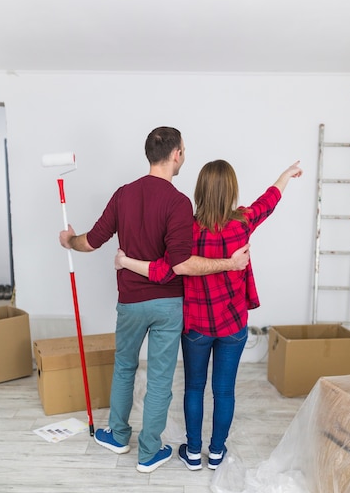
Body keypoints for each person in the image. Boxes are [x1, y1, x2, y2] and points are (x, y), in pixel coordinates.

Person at [59, 127, 250, 473]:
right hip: (168, 305)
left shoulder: (123, 195)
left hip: (130, 301)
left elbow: (92, 242)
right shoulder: (179, 203)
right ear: (176, 154)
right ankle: (148, 453)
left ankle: (117, 436)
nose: (184, 155)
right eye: (184, 150)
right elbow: (182, 264)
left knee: (124, 367)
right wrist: (230, 264)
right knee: (161, 378)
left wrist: (70, 240)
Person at [115, 158, 303, 470]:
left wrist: (126, 261)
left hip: (196, 328)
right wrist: (285, 175)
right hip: (232, 326)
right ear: (232, 191)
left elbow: (163, 269)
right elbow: (268, 202)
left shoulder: (185, 229)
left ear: (200, 190)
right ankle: (216, 452)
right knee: (224, 391)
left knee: (193, 388)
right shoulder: (242, 222)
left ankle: (192, 453)